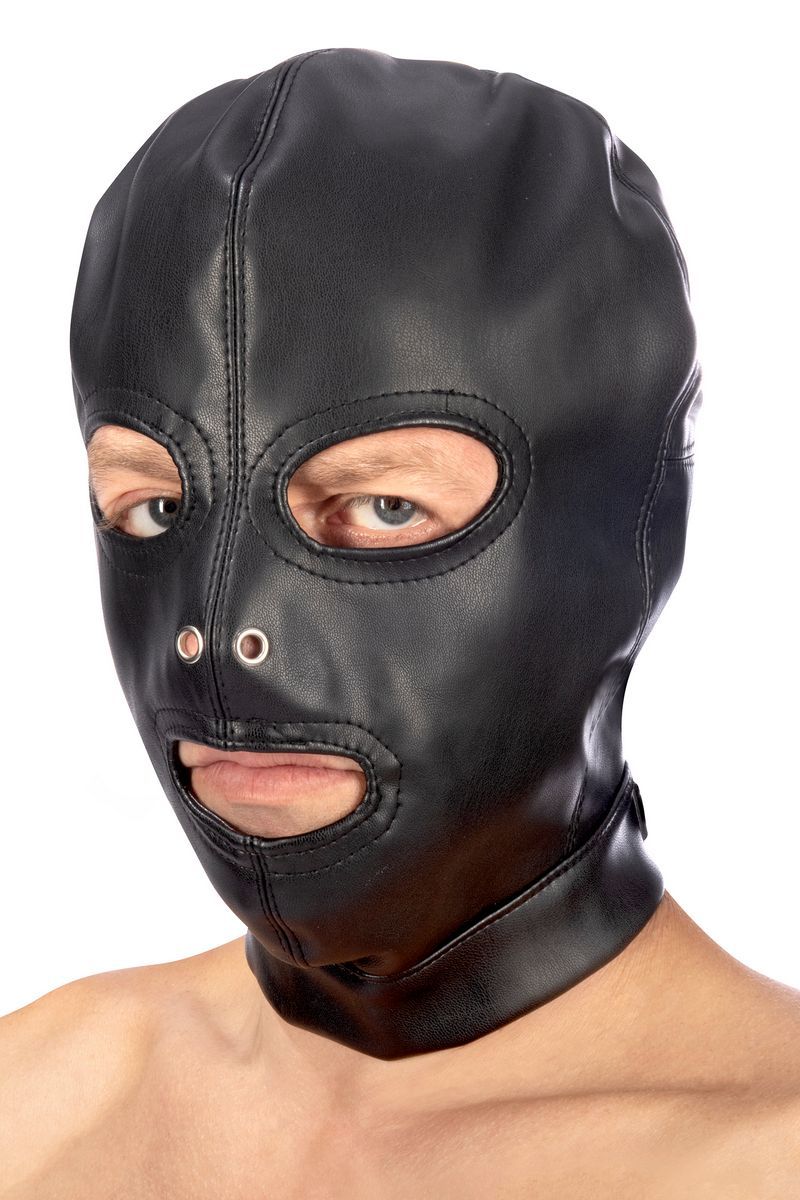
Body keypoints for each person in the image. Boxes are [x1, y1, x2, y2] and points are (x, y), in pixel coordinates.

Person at [2, 47, 799, 1197]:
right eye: (157, 506)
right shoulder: (35, 1101)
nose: (219, 632)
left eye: (381, 506)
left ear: (619, 528)